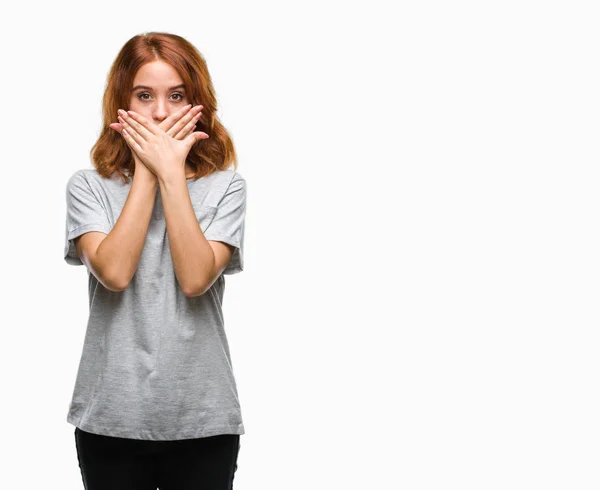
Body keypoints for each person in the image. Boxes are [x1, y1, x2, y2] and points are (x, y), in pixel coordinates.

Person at [63, 32, 247, 490]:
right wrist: (149, 168)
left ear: (196, 103)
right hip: (110, 416)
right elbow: (115, 272)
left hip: (203, 419)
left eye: (176, 96)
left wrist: (171, 174)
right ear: (121, 103)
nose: (161, 112)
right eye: (144, 96)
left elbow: (195, 278)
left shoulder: (226, 187)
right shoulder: (89, 187)